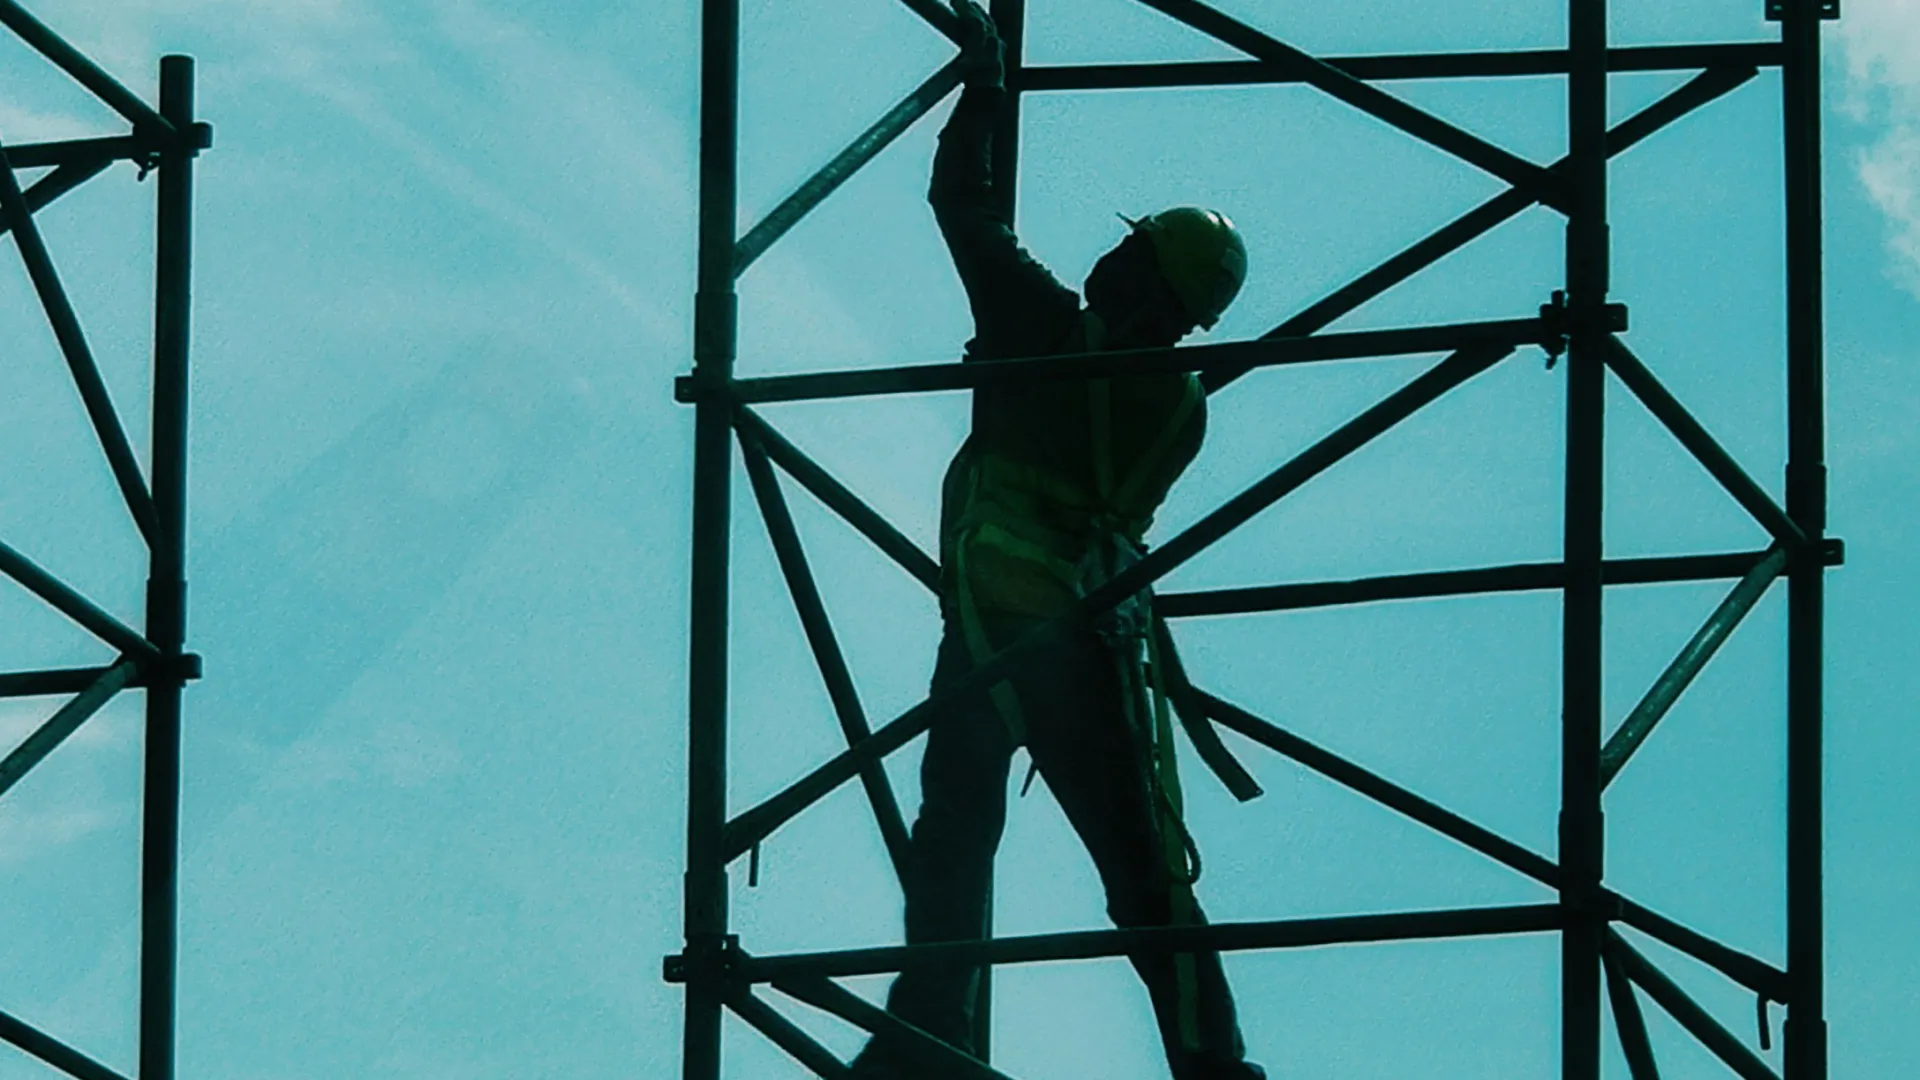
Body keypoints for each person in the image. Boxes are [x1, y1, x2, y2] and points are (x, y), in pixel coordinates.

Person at [849, 3, 1268, 1078]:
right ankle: (1215, 1064)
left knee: (954, 840)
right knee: (1142, 879)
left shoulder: (1043, 328)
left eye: (1128, 250)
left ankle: (927, 1030)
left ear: (1141, 274)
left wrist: (983, 87)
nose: (1109, 256)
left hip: (1001, 625)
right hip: (1093, 643)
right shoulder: (1185, 407)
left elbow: (960, 205)